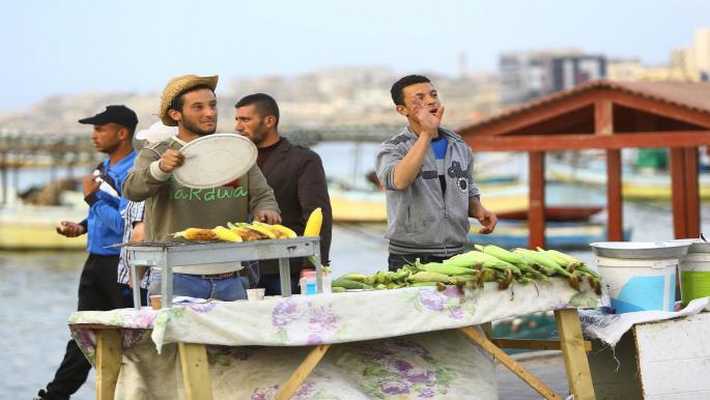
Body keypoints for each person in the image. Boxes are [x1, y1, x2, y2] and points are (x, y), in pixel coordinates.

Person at [123, 74, 280, 301]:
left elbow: (262, 194)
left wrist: (266, 209)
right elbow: (131, 189)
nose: (210, 113)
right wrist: (160, 169)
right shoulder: (156, 152)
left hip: (233, 278)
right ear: (175, 114)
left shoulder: (234, 150)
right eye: (198, 107)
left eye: (213, 105)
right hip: (176, 277)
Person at [36, 105, 138, 400]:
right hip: (95, 263)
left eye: (100, 129)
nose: (94, 135)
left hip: (119, 266)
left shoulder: (133, 174)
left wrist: (92, 198)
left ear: (121, 133)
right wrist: (81, 227)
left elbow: (127, 227)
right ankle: (54, 396)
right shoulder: (103, 169)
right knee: (83, 336)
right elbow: (103, 215)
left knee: (128, 340)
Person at [375, 75, 497, 270]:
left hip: (456, 253)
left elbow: (467, 187)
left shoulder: (459, 145)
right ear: (402, 110)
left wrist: (478, 209)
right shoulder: (393, 148)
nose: (431, 101)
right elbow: (398, 181)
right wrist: (426, 134)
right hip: (410, 257)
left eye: (433, 95)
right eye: (420, 98)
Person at [235, 93, 333, 295]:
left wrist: (313, 265)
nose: (238, 126)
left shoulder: (303, 160)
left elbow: (318, 216)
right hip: (239, 269)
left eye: (245, 119)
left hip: (287, 269)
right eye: (236, 119)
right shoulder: (233, 160)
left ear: (269, 121)